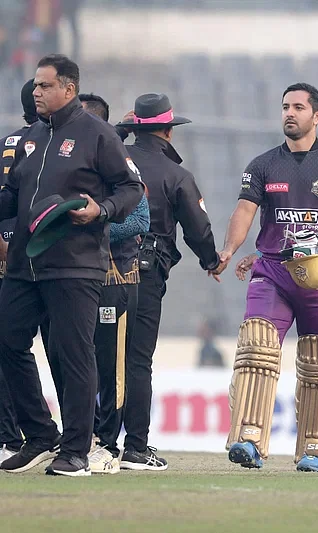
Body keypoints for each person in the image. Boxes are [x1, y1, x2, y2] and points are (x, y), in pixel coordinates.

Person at [0, 54, 144, 477]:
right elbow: (13, 195)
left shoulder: (97, 134)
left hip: (75, 262)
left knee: (73, 354)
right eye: (35, 86)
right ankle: (41, 435)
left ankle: (77, 450)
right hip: (27, 263)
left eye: (44, 86)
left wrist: (103, 209)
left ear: (68, 88)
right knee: (7, 339)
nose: (36, 92)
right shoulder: (32, 137)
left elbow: (131, 187)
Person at [219, 82, 318, 473]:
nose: (289, 113)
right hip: (273, 270)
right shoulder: (263, 165)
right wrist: (231, 248)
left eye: (298, 107)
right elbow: (245, 211)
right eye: (285, 106)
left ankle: (314, 449)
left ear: (316, 116)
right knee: (257, 346)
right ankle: (249, 439)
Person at [113, 93, 220, 472]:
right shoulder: (176, 175)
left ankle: (96, 442)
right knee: (138, 360)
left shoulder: (111, 160)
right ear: (169, 131)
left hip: (97, 269)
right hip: (143, 270)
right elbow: (198, 228)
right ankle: (135, 448)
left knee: (101, 357)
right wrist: (212, 260)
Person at [78, 92, 150, 475]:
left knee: (112, 367)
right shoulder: (67, 162)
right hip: (73, 276)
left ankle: (107, 444)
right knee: (74, 360)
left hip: (115, 276)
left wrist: (93, 223)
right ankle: (80, 437)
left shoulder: (122, 163)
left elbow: (140, 220)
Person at [0, 78, 40, 465]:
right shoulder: (56, 142)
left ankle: (10, 436)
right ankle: (82, 436)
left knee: (10, 345)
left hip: (7, 254)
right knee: (66, 351)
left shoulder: (6, 143)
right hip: (49, 255)